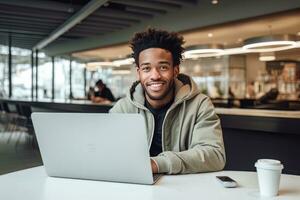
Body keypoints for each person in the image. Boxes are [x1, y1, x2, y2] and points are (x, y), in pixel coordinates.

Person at [110, 28, 225, 174]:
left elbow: (214, 155)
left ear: (175, 71)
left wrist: (157, 164)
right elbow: (108, 150)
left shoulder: (200, 105)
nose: (155, 75)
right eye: (146, 68)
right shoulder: (123, 108)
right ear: (139, 73)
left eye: (163, 67)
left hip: (184, 190)